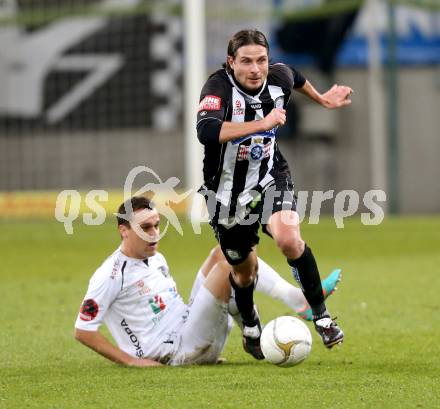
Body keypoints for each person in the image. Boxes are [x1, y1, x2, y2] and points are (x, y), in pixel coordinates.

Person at [196, 29, 352, 359]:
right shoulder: (218, 87)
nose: (255, 69)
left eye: (261, 60)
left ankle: (321, 317)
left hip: (270, 178)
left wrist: (322, 99)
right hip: (226, 195)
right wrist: (262, 123)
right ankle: (250, 321)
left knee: (289, 239)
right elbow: (206, 130)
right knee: (243, 271)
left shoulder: (277, 76)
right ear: (231, 62)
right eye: (246, 61)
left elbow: (294, 76)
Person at [74, 196, 341, 366]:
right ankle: (257, 329)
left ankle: (293, 304)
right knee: (230, 261)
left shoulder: (155, 258)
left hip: (191, 331)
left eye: (156, 225)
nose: (155, 233)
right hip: (178, 351)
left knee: (221, 253)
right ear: (124, 231)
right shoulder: (110, 275)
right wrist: (131, 362)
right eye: (145, 228)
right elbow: (83, 331)